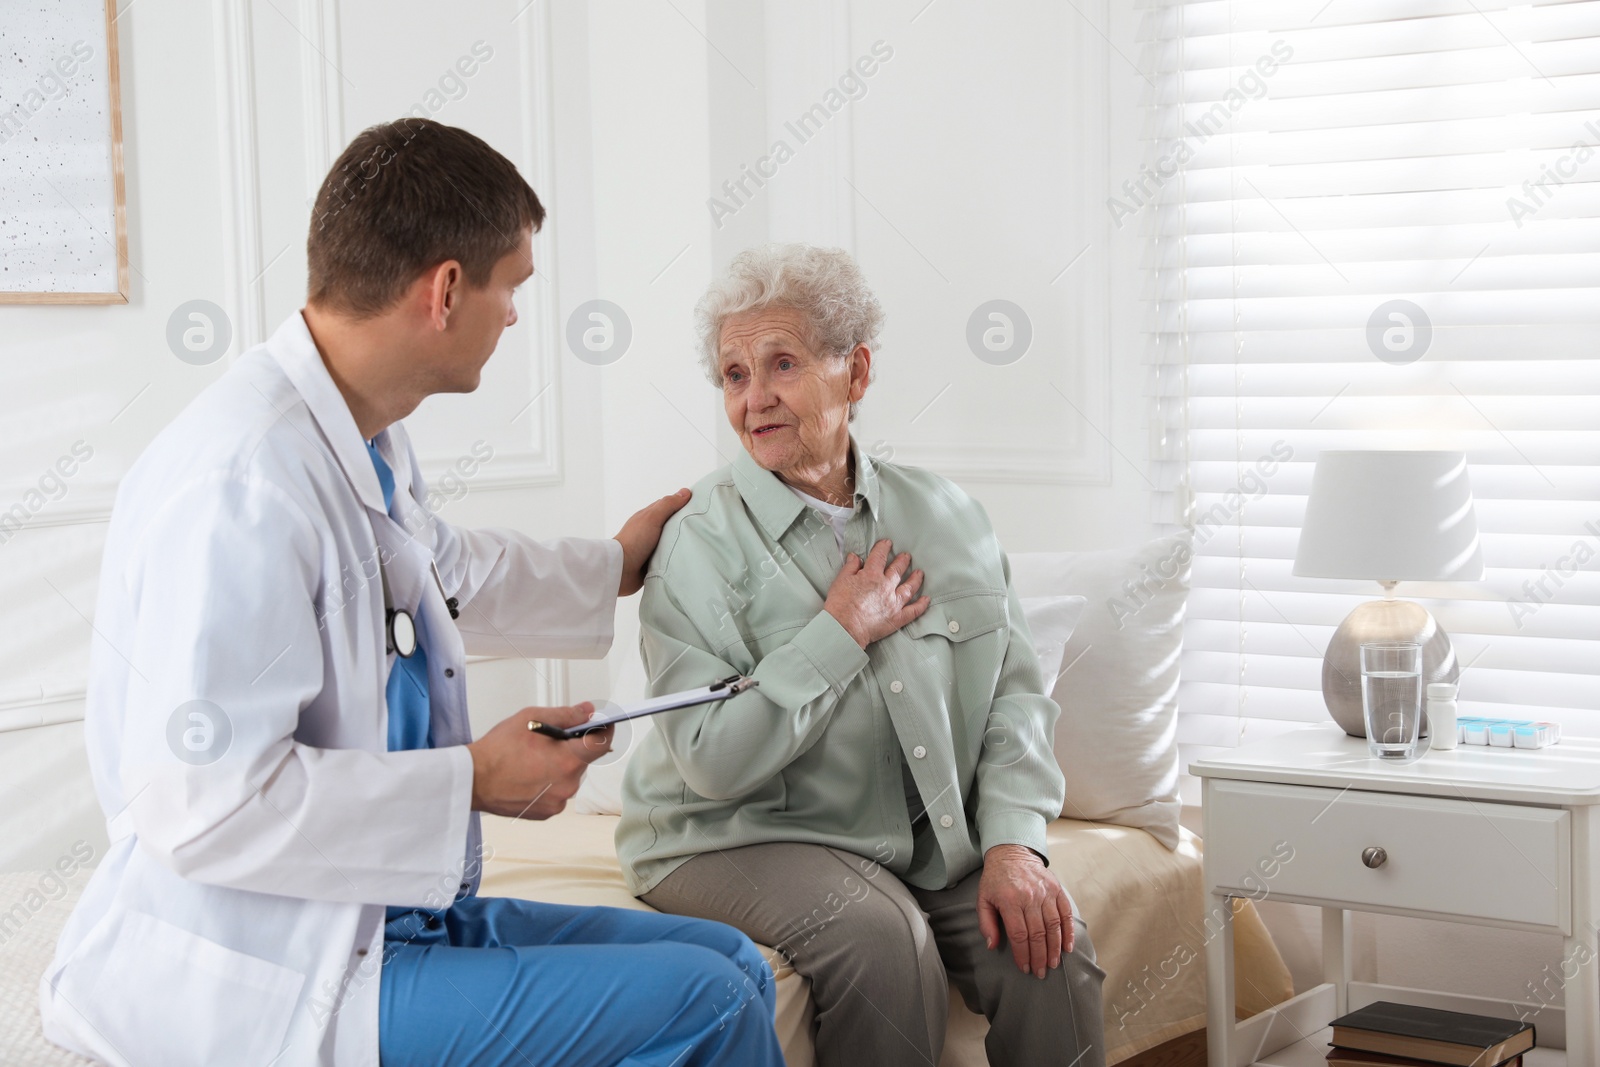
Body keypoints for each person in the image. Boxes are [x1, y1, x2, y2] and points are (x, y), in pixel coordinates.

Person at [40, 118, 785, 1067]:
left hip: (378, 909)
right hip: (273, 965)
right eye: (509, 286)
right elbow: (208, 801)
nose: (513, 315)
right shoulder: (243, 480)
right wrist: (471, 778)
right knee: (711, 1001)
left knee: (733, 961)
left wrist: (614, 564)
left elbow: (439, 567)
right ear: (444, 290)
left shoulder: (356, 432)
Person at [616, 244, 1107, 1067]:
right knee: (885, 942)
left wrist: (1015, 842)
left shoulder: (946, 515)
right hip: (724, 833)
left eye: (783, 363)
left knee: (1046, 945)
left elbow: (1015, 695)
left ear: (857, 371)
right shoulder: (692, 543)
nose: (755, 399)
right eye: (734, 374)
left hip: (913, 837)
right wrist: (840, 633)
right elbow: (710, 759)